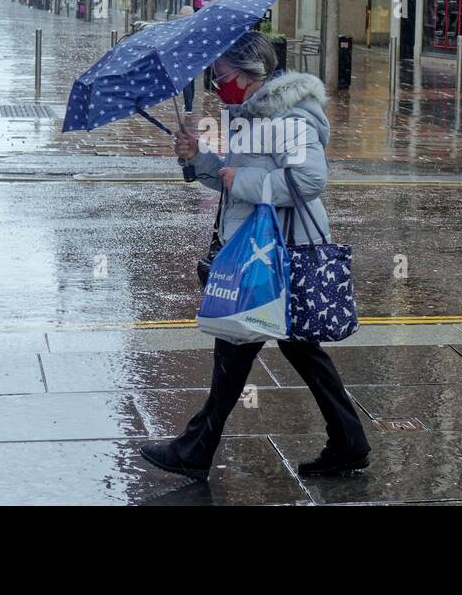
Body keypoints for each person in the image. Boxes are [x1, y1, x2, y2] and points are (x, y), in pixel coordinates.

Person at [141, 31, 371, 482]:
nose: (215, 84)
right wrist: (198, 159)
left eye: (221, 75)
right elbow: (235, 178)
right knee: (294, 348)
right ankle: (348, 441)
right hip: (260, 246)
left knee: (236, 347)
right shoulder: (248, 113)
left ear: (252, 74)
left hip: (278, 250)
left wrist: (236, 181)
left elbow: (309, 181)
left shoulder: (289, 117)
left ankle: (195, 448)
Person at [177, 5, 197, 113]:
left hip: (184, 56)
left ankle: (188, 106)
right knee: (191, 81)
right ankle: (189, 105)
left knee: (186, 82)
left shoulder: (180, 26)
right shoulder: (195, 25)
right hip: (193, 57)